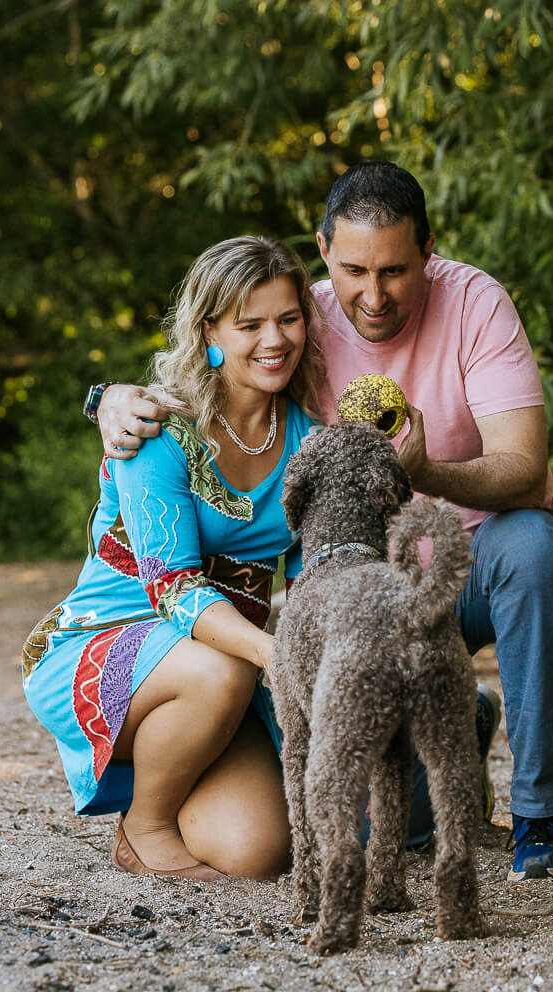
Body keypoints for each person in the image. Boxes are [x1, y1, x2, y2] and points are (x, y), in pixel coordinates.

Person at [92, 161, 553, 882]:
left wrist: (425, 473)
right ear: (324, 251)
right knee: (352, 829)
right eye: (354, 269)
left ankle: (541, 815)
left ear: (428, 251)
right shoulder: (299, 320)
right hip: (359, 595)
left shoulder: (474, 302)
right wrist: (106, 396)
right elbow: (207, 378)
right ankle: (459, 721)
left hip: (471, 563)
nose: (373, 295)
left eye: (395, 271)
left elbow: (526, 467)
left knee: (535, 544)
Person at [22, 235, 326, 881]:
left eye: (289, 319)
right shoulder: (157, 429)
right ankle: (146, 826)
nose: (275, 340)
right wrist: (275, 656)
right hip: (109, 645)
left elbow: (309, 581)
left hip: (225, 665)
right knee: (218, 673)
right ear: (209, 329)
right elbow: (173, 589)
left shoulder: (308, 438)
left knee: (257, 854)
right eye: (250, 325)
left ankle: (176, 764)